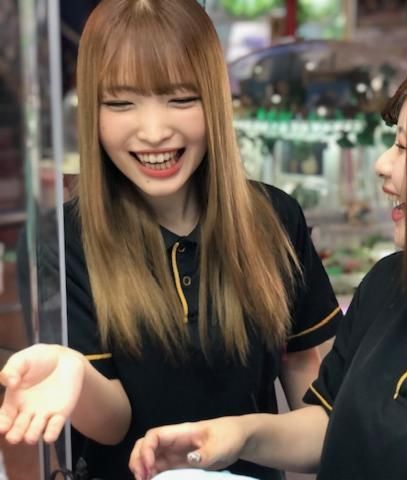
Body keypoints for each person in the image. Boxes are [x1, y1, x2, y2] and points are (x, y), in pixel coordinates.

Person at [129, 48, 407, 480]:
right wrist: (238, 435)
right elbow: (330, 424)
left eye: (404, 147)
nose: (382, 165)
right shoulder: (389, 283)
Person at [0, 1, 341, 479]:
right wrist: (70, 367)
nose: (155, 132)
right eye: (121, 103)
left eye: (180, 99)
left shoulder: (275, 217)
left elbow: (314, 393)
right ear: (91, 111)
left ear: (214, 101)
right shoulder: (61, 241)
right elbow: (113, 424)